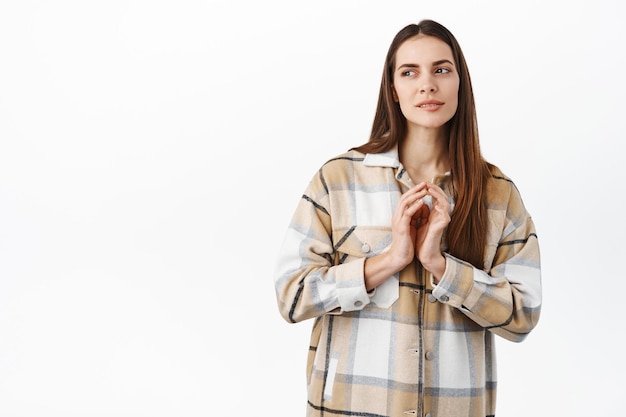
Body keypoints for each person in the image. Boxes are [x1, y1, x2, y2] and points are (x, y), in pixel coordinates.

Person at [273, 19, 541, 417]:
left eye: (441, 70)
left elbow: (522, 316)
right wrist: (389, 261)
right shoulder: (338, 179)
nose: (427, 85)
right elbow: (291, 297)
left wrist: (443, 267)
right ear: (393, 89)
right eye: (409, 71)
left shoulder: (497, 194)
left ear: (460, 85)